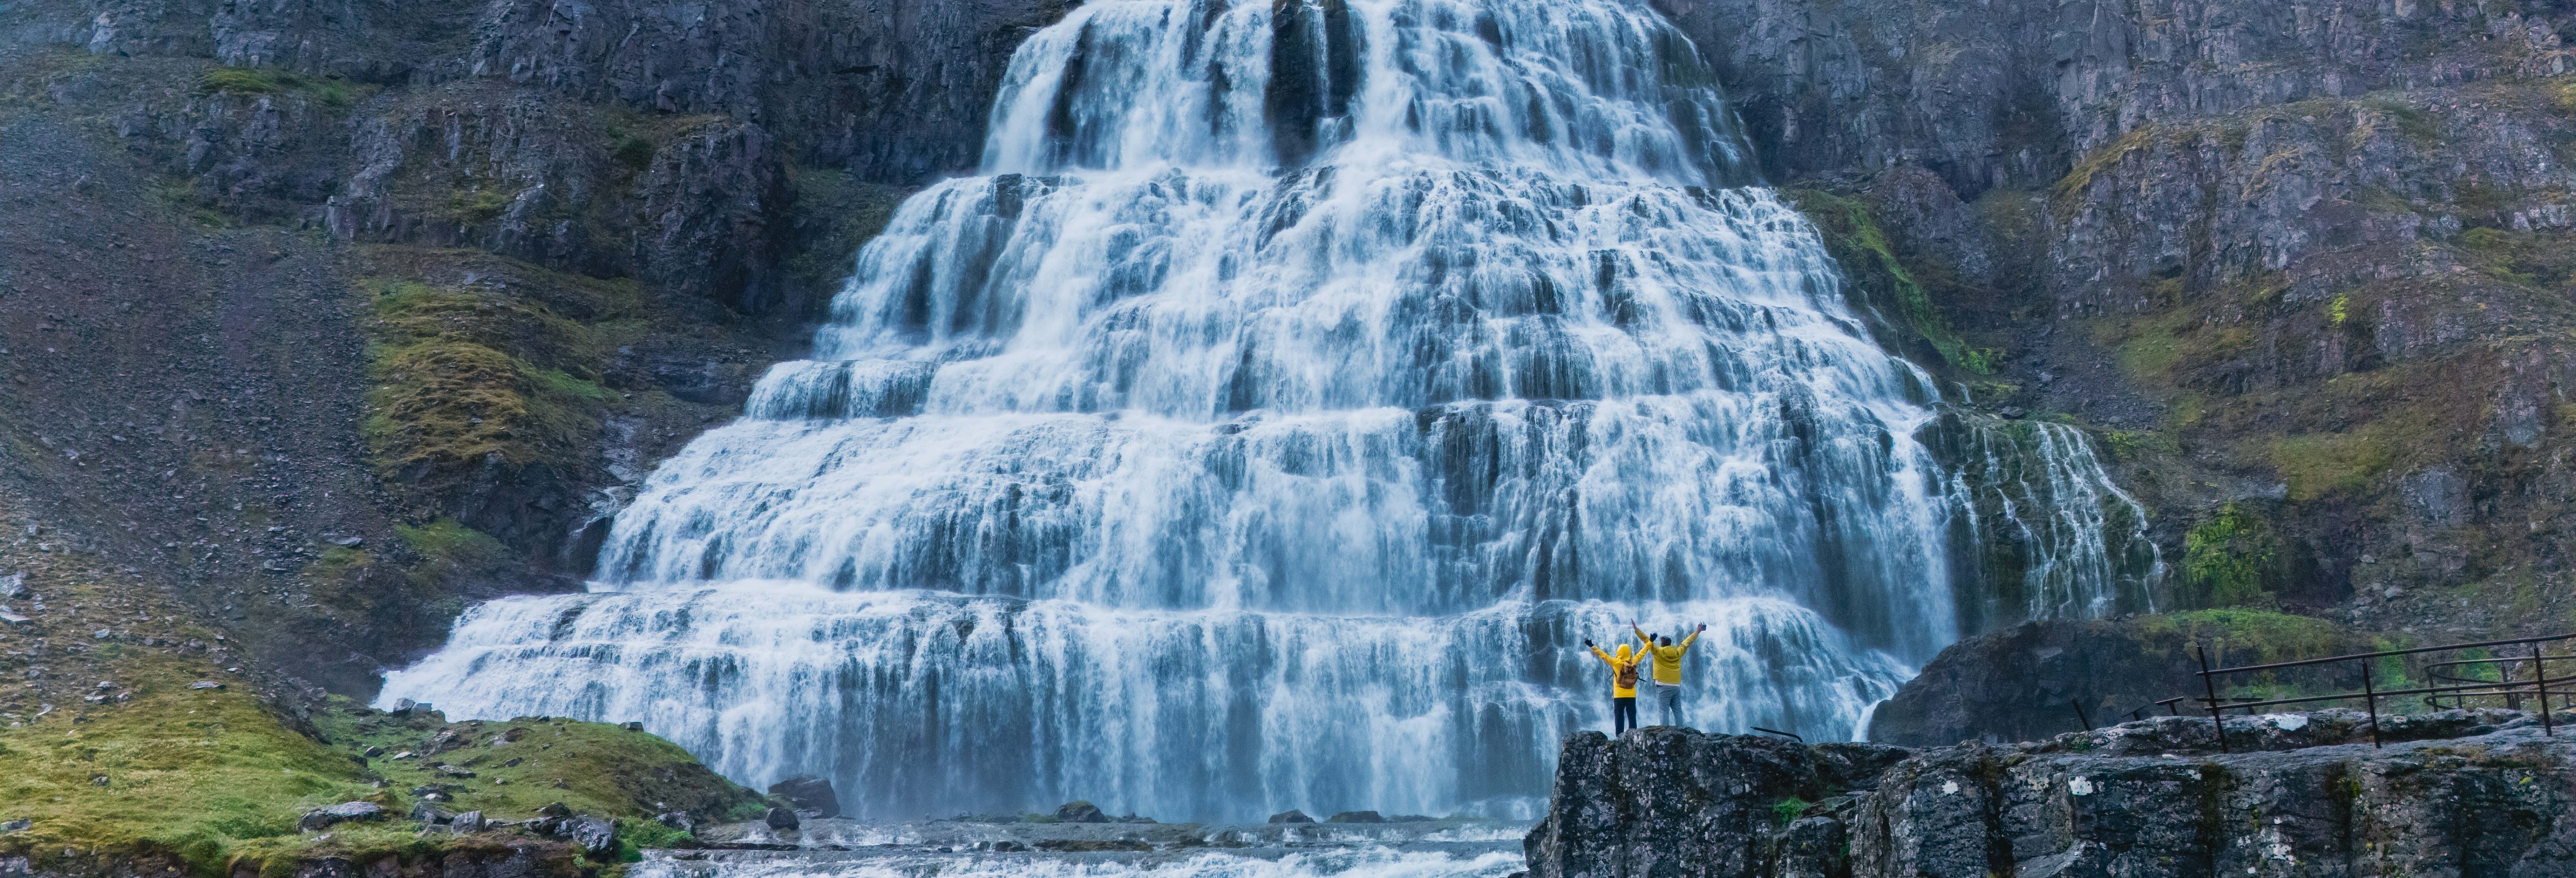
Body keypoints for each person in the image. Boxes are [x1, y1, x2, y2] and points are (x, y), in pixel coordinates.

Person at [1633, 619, 1706, 728]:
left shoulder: (1658, 652)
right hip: (1676, 686)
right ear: (1671, 644)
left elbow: (1647, 642)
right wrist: (1697, 632)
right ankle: (1681, 731)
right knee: (1678, 711)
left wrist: (1637, 630)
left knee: (1664, 712)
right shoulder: (1678, 652)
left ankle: (1664, 734)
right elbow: (1687, 643)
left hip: (1663, 687)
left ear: (1662, 644)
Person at [1583, 637, 1643, 735]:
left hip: (1619, 696)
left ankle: (1619, 737)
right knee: (1632, 716)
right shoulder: (1634, 662)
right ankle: (1634, 737)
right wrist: (1650, 642)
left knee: (1619, 717)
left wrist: (1591, 646)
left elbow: (1602, 655)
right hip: (1631, 695)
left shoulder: (1615, 662)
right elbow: (1642, 653)